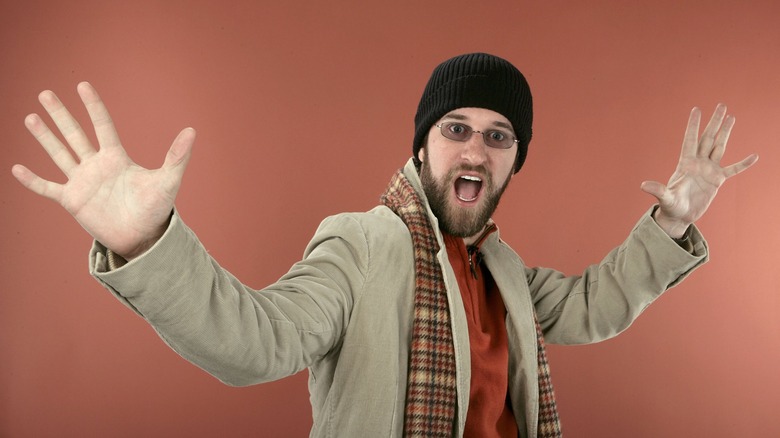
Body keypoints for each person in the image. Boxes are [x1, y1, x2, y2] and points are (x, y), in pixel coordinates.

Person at [11, 53, 758, 438]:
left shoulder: (502, 265)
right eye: (455, 129)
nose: (476, 148)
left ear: (513, 161)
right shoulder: (361, 243)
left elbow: (595, 306)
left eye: (498, 137)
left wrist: (670, 223)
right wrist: (148, 241)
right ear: (424, 146)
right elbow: (258, 341)